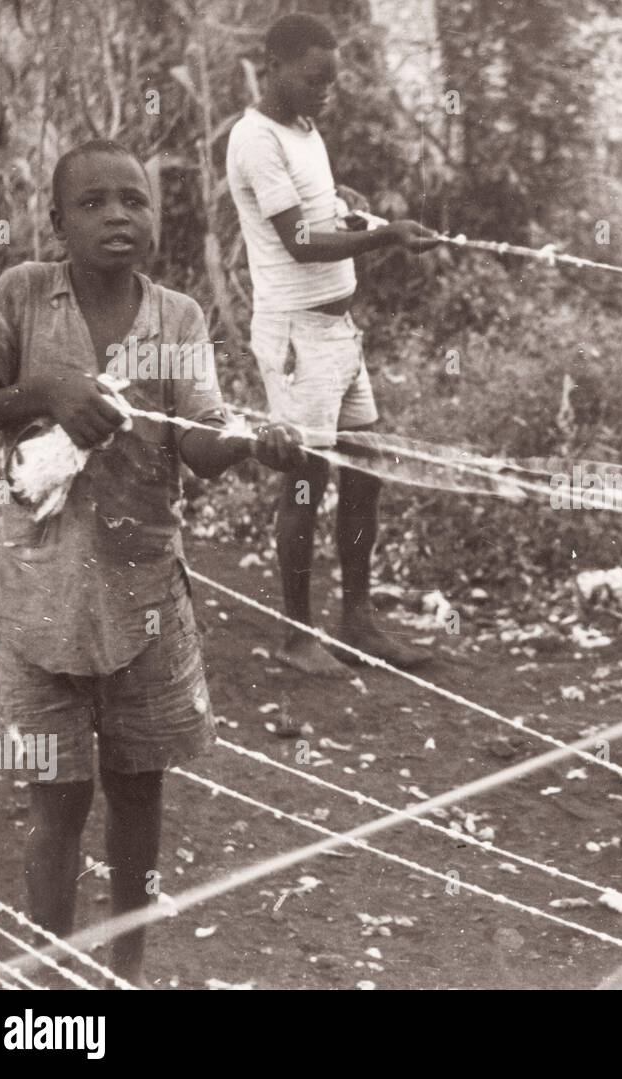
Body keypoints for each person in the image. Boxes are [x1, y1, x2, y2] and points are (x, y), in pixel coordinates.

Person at [0, 139, 305, 985]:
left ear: (155, 216)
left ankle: (124, 973)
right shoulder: (25, 297)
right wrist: (43, 393)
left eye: (135, 201)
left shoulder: (178, 317)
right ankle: (48, 985)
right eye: (95, 203)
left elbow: (199, 439)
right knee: (57, 805)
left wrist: (255, 443)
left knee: (139, 792)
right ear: (57, 223)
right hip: (44, 601)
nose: (119, 216)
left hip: (145, 597)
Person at [226, 11, 439, 676]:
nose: (325, 93)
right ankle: (296, 636)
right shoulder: (254, 138)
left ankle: (356, 621)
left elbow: (316, 218)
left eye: (332, 83)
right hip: (297, 335)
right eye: (315, 80)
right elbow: (298, 241)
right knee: (304, 483)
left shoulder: (304, 130)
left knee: (365, 468)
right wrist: (385, 234)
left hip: (338, 333)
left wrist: (348, 207)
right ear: (275, 66)